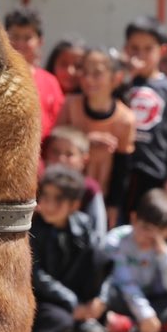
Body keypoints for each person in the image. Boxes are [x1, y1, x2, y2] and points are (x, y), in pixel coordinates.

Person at [118, 21, 167, 216]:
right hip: (121, 171)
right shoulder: (120, 84)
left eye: (148, 49)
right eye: (134, 48)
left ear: (162, 50)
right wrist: (126, 77)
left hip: (156, 172)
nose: (140, 54)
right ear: (126, 49)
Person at [29, 165, 109, 332]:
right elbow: (38, 276)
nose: (49, 204)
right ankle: (80, 321)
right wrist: (72, 302)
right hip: (48, 298)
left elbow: (101, 265)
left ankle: (87, 316)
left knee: (99, 255)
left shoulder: (84, 225)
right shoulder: (34, 228)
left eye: (58, 199)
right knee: (58, 320)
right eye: (45, 196)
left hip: (78, 293)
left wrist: (100, 299)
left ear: (74, 205)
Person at [105, 188, 167, 332]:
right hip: (124, 296)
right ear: (134, 219)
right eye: (145, 228)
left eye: (157, 233)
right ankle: (152, 323)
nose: (149, 237)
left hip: (150, 299)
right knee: (108, 295)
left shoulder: (163, 248)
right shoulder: (116, 241)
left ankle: (133, 325)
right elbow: (126, 283)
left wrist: (164, 255)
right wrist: (145, 315)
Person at [61, 48, 135, 215]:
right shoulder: (70, 105)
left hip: (100, 200)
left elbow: (122, 168)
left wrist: (114, 206)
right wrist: (85, 140)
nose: (88, 79)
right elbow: (55, 142)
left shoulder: (125, 119)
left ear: (116, 78)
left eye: (97, 73)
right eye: (85, 72)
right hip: (64, 194)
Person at [5, 8, 65, 139]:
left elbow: (59, 124)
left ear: (40, 41)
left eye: (27, 38)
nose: (20, 43)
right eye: (15, 36)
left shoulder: (50, 81)